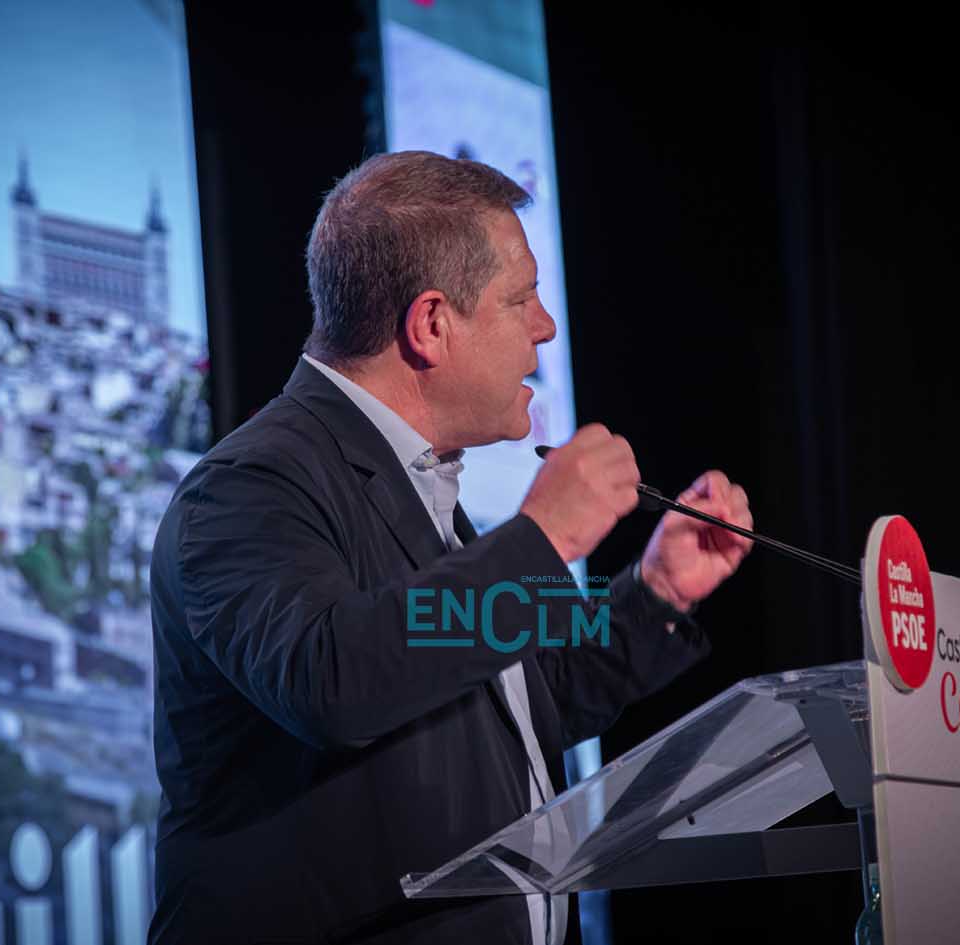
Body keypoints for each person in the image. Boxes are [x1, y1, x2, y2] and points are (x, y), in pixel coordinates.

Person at [148, 151, 754, 945]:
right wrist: (543, 536)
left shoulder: (416, 482)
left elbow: (521, 692)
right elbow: (332, 679)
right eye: (521, 299)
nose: (544, 326)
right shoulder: (247, 487)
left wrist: (654, 593)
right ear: (431, 324)